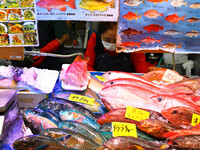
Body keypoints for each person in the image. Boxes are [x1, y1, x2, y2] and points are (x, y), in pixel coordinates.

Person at [84, 22, 148, 73]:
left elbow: (141, 68)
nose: (111, 43)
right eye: (107, 40)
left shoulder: (132, 41)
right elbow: (87, 65)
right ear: (101, 35)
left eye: (116, 40)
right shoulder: (95, 38)